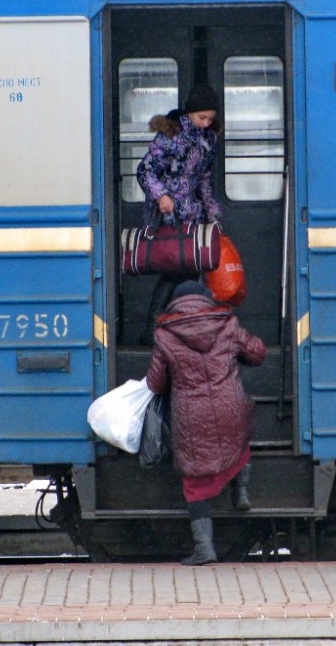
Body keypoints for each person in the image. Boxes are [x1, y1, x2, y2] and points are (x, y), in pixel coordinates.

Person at [144, 280, 266, 566]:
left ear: (174, 303)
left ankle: (204, 548)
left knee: (195, 481)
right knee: (239, 439)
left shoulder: (165, 334)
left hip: (192, 416)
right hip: (231, 407)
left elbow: (155, 382)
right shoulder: (228, 324)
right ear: (206, 299)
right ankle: (241, 489)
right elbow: (258, 353)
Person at [136, 84, 223, 345]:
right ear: (190, 113)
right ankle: (153, 332)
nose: (206, 123)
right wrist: (161, 195)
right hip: (169, 213)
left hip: (193, 213)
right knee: (174, 270)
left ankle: (173, 329)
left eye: (210, 118)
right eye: (201, 118)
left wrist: (213, 213)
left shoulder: (209, 139)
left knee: (190, 270)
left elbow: (204, 177)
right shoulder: (171, 133)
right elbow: (145, 170)